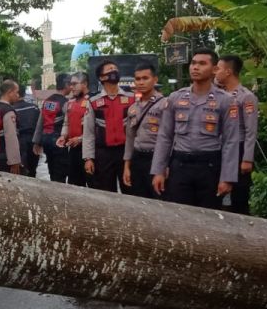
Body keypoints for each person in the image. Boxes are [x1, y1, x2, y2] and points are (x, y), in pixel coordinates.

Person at [151, 49, 240, 209]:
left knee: (210, 216)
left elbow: (231, 141)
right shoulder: (176, 98)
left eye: (202, 63)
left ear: (214, 70)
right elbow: (165, 136)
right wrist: (158, 170)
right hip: (180, 165)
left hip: (209, 166)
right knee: (180, 215)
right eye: (193, 63)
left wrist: (227, 178)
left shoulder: (225, 100)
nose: (195, 67)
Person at [214, 55, 259, 215]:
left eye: (218, 68)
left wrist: (247, 158)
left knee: (239, 195)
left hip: (239, 149)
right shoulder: (218, 95)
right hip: (220, 147)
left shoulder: (245, 96)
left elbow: (250, 129)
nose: (215, 72)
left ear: (228, 71)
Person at [82, 61, 134, 193]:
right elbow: (88, 133)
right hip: (103, 155)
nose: (115, 72)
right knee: (105, 191)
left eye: (116, 69)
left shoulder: (131, 98)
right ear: (102, 77)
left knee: (131, 190)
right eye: (110, 70)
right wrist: (88, 158)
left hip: (126, 153)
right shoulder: (93, 102)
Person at [123, 61, 166, 200]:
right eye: (138, 79)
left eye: (145, 78)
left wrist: (165, 167)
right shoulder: (133, 108)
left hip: (156, 160)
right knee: (139, 201)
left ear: (155, 79)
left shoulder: (164, 105)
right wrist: (127, 166)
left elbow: (170, 139)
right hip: (137, 159)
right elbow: (130, 138)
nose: (141, 82)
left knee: (159, 202)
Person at [33, 73, 71, 183]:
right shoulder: (65, 103)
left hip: (46, 140)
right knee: (61, 171)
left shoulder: (47, 101)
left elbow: (40, 122)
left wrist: (37, 142)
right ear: (66, 85)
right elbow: (68, 124)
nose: (72, 87)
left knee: (52, 169)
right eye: (70, 84)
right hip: (58, 141)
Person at [57, 72, 90, 187]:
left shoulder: (92, 101)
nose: (71, 87)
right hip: (73, 149)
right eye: (70, 84)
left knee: (93, 184)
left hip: (88, 151)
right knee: (73, 184)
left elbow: (95, 129)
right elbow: (66, 123)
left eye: (75, 84)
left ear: (85, 84)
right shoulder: (70, 103)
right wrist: (63, 136)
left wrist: (80, 139)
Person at [0, 79, 23, 174]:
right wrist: (14, 161)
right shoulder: (7, 111)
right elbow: (11, 137)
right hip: (5, 157)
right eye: (16, 92)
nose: (17, 95)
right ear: (9, 92)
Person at [13, 86, 41, 177]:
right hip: (33, 141)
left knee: (21, 170)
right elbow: (40, 126)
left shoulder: (11, 110)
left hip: (18, 142)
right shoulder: (34, 108)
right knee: (33, 170)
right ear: (24, 94)